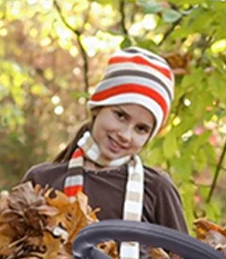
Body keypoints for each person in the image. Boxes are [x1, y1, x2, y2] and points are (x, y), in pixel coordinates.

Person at [24, 48, 188, 232]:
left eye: (141, 129)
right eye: (120, 116)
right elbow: (10, 254)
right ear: (97, 108)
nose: (125, 135)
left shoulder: (156, 189)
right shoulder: (42, 180)